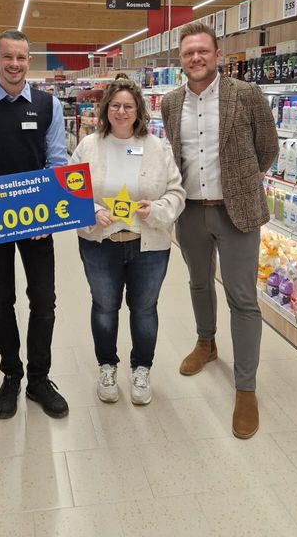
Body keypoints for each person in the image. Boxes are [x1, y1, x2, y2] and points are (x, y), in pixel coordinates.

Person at [161, 21, 279, 439]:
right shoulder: (171, 102)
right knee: (198, 282)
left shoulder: (246, 94)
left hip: (237, 211)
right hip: (190, 210)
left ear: (217, 55)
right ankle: (206, 343)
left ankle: (245, 387)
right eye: (188, 52)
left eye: (202, 51)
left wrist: (242, 183)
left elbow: (268, 147)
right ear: (181, 59)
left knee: (242, 298)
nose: (196, 58)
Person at [0, 29, 69, 419]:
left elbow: (56, 162)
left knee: (43, 299)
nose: (14, 64)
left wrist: (49, 211)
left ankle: (39, 379)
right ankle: (11, 375)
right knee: (0, 299)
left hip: (36, 215)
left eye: (21, 57)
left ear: (29, 61)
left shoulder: (48, 105)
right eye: (7, 57)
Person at [71, 79, 185, 404]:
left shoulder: (158, 148)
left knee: (145, 309)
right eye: (115, 106)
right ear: (106, 109)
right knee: (104, 308)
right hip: (99, 244)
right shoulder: (88, 146)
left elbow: (176, 193)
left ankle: (141, 369)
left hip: (148, 246)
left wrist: (156, 210)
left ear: (139, 111)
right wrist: (92, 210)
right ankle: (107, 366)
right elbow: (69, 188)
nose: (121, 112)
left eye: (128, 106)